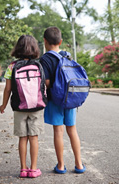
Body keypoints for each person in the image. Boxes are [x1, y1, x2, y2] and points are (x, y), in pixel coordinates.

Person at [40, 26, 86, 174]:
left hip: (55, 99)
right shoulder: (67, 55)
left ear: (45, 41)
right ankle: (79, 164)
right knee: (72, 130)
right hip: (70, 98)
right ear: (60, 41)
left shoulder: (45, 59)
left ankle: (60, 165)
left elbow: (46, 82)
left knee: (58, 131)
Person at [0, 35, 44, 178]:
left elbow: (7, 89)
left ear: (17, 48)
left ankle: (23, 169)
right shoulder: (38, 65)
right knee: (34, 137)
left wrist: (3, 105)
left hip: (19, 107)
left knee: (22, 138)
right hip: (36, 106)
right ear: (35, 48)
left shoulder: (12, 66)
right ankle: (34, 169)